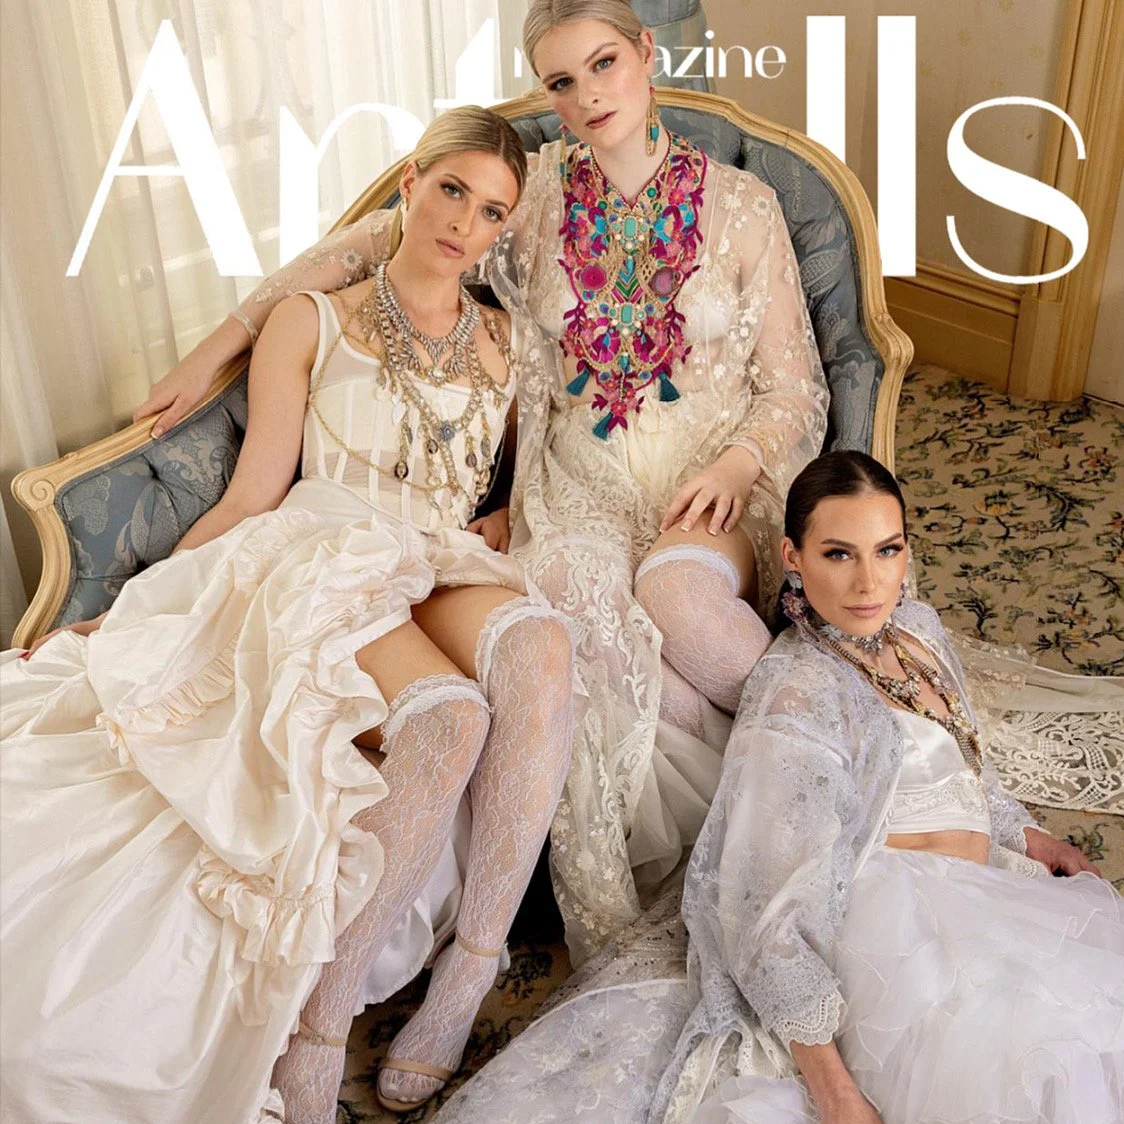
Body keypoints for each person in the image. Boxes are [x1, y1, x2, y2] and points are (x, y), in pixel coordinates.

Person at [131, 0, 831, 962]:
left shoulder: (743, 207)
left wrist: (737, 463)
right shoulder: (531, 194)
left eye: (605, 64)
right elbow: (373, 242)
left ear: (646, 54)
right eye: (561, 81)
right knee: (578, 619)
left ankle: (837, 748)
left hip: (708, 484)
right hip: (577, 483)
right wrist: (219, 343)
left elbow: (796, 389)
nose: (588, 97)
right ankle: (635, 910)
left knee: (675, 599)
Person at [0, 107, 581, 1124]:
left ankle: (467, 976)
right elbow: (251, 494)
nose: (464, 222)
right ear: (409, 184)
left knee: (540, 647)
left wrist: (503, 519)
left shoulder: (508, 344)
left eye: (492, 210)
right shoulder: (310, 319)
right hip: (327, 549)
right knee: (447, 718)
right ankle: (319, 1028)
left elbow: (518, 489)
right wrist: (138, 610)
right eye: (452, 190)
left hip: (438, 558)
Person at [417, 451, 1124, 1124]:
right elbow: (766, 921)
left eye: (887, 550)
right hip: (900, 929)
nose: (869, 583)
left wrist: (1024, 830)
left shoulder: (918, 629)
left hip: (994, 888)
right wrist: (837, 1092)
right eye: (838, 555)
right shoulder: (796, 692)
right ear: (793, 557)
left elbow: (966, 760)